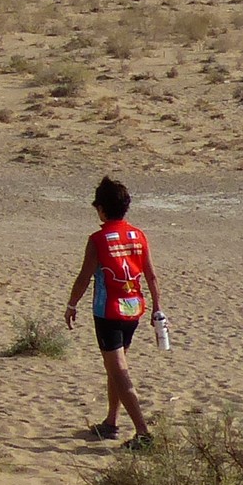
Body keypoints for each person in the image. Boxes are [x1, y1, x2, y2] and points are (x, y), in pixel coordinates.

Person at [64, 176, 157, 448]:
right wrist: (157, 307)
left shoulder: (98, 239)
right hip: (134, 309)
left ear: (101, 209)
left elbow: (84, 277)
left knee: (118, 370)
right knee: (115, 366)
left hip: (108, 312)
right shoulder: (138, 235)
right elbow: (151, 276)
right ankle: (111, 422)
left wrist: (71, 305)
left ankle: (142, 431)